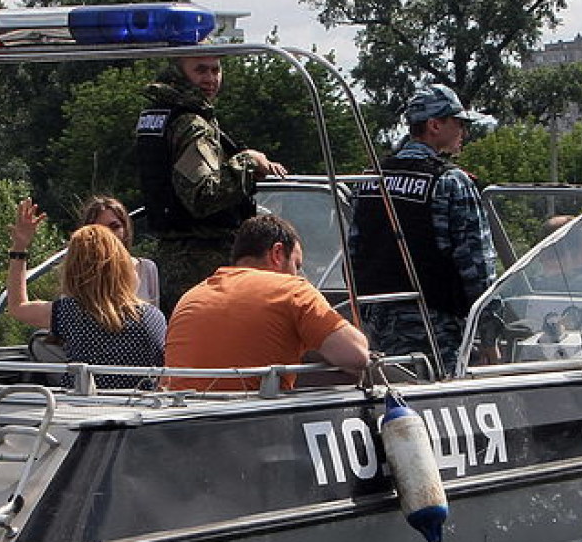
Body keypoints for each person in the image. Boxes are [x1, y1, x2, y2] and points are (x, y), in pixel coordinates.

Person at [348, 83, 497, 372]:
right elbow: (477, 266)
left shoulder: (369, 180)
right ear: (434, 125)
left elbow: (354, 253)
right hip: (434, 330)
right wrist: (489, 333)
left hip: (377, 328)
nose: (464, 132)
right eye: (459, 123)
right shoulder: (451, 182)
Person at [134, 54, 288, 313]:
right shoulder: (191, 124)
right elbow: (203, 195)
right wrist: (249, 162)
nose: (210, 78)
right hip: (201, 263)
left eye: (215, 70)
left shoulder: (155, 116)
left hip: (172, 258)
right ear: (179, 72)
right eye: (200, 70)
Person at [163, 213, 370, 392]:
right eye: (297, 265)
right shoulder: (292, 290)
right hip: (255, 426)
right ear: (277, 253)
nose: (299, 274)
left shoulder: (191, 296)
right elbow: (357, 356)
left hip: (179, 426)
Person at [6, 200, 165, 389]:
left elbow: (17, 307)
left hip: (81, 408)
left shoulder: (69, 313)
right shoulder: (153, 317)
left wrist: (19, 248)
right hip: (136, 410)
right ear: (127, 269)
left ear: (74, 269)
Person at [79, 195, 161, 305]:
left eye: (114, 227)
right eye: (100, 229)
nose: (108, 235)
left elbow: (155, 317)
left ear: (125, 229)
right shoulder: (79, 275)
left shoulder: (147, 268)